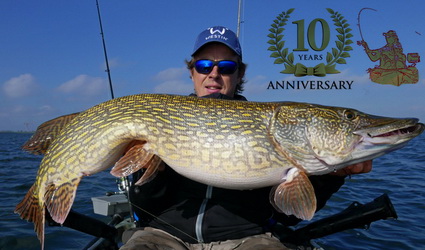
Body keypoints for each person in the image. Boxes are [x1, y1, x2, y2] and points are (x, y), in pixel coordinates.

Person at [120, 26, 372, 250]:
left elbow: (288, 217)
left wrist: (332, 177)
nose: (214, 74)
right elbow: (143, 204)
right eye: (204, 66)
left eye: (227, 67)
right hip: (165, 236)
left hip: (247, 239)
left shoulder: (271, 125)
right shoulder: (161, 119)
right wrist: (149, 167)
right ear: (192, 72)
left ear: (239, 75)